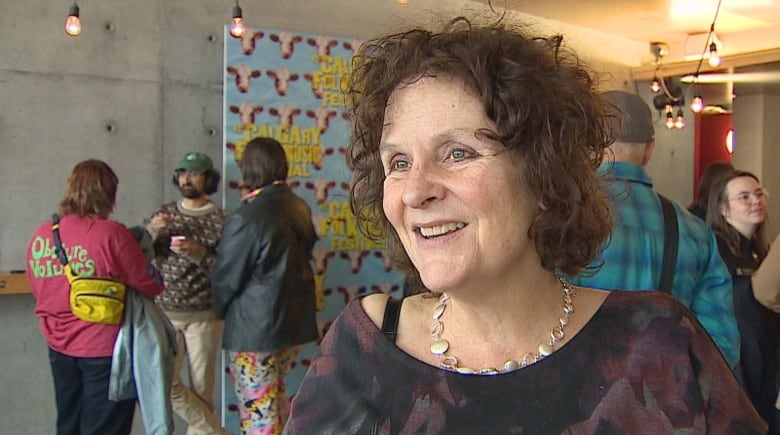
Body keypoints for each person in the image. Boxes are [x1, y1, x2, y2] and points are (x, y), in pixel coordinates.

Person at [284, 18, 765, 434]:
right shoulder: (362, 349)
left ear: (541, 174)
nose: (414, 191)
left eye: (457, 153)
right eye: (399, 162)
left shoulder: (660, 344)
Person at [568, 90, 739, 368]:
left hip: (571, 398)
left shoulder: (555, 220)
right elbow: (722, 349)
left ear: (586, 143)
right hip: (658, 403)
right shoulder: (695, 233)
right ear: (649, 149)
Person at [25, 159, 165, 435]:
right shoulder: (111, 234)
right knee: (104, 428)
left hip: (58, 348)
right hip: (104, 349)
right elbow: (150, 284)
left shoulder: (42, 236)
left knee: (68, 424)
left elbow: (37, 287)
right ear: (107, 195)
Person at [212, 137, 318, 435]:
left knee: (260, 412)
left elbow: (226, 277)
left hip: (254, 330)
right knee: (276, 402)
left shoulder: (249, 214)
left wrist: (218, 309)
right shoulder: (298, 207)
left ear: (250, 168)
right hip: (291, 324)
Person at [146, 151, 228, 435]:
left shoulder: (221, 219)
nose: (187, 179)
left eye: (194, 173)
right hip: (165, 313)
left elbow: (227, 269)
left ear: (208, 179)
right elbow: (140, 256)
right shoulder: (164, 215)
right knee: (166, 384)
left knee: (202, 390)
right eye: (182, 173)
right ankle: (216, 431)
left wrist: (198, 253)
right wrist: (152, 231)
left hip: (204, 315)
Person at [706, 169, 780, 433]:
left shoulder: (761, 251)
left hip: (764, 354)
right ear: (724, 210)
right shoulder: (715, 248)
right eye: (744, 197)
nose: (755, 201)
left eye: (759, 194)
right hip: (738, 358)